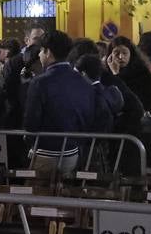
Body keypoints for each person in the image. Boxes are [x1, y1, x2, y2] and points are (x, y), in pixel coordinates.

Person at [23, 30, 99, 178]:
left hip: (46, 151)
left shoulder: (40, 83)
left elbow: (30, 123)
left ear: (48, 52)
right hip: (73, 151)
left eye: (41, 51)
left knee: (38, 195)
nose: (39, 55)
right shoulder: (83, 81)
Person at [109, 36, 151, 113]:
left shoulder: (142, 74)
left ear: (131, 54)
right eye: (116, 53)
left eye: (125, 53)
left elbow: (135, 101)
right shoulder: (105, 73)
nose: (121, 57)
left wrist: (116, 75)